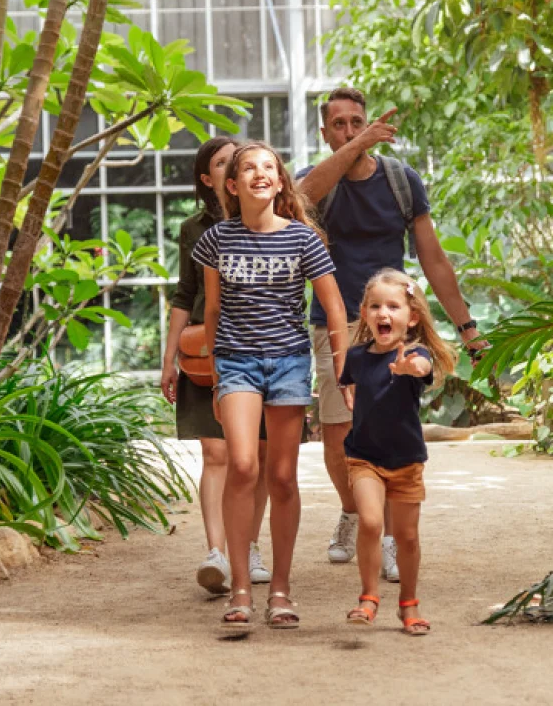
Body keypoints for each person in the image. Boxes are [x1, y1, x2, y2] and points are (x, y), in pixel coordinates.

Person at [298, 87, 488, 579]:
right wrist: (350, 151)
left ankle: (381, 535)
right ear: (325, 133)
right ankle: (353, 513)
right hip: (336, 323)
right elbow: (298, 201)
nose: (349, 130)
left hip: (393, 322)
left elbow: (434, 259)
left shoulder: (402, 182)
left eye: (356, 122)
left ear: (369, 123)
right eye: (338, 124)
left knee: (387, 429)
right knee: (339, 430)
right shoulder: (318, 183)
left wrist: (466, 328)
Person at [193, 141, 348, 631]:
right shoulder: (217, 239)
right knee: (241, 465)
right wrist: (216, 373)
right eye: (248, 169)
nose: (260, 174)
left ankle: (280, 590)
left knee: (281, 477)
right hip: (236, 363)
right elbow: (213, 311)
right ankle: (240, 588)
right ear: (232, 186)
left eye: (268, 167)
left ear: (280, 181)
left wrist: (344, 372)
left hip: (288, 366)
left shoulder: (303, 239)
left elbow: (336, 309)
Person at [161, 137, 271, 595]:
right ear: (209, 178)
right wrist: (169, 359)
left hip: (261, 348)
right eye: (225, 162)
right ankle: (216, 553)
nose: (236, 168)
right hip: (206, 354)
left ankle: (248, 544)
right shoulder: (194, 228)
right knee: (216, 454)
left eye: (239, 160)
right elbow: (185, 294)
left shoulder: (270, 216)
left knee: (258, 458)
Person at [338, 269, 456, 635]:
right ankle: (368, 598)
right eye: (375, 306)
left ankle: (409, 603)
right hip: (364, 458)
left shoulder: (416, 352)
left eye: (393, 306)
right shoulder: (357, 356)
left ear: (413, 316)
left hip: (406, 462)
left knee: (407, 538)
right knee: (371, 522)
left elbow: (422, 366)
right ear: (366, 313)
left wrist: (408, 367)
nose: (382, 313)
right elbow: (351, 389)